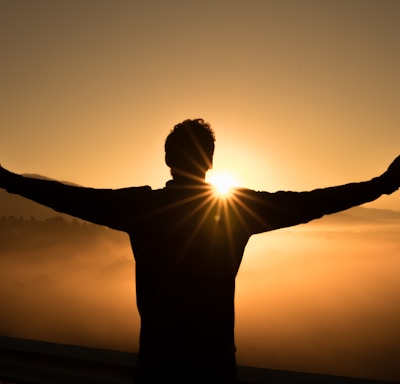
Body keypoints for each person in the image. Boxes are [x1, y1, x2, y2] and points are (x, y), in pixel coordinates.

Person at [0, 118, 399, 383]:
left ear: (168, 159)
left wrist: (7, 180)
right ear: (209, 161)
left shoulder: (143, 208)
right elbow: (313, 202)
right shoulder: (239, 210)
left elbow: (67, 197)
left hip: (157, 362)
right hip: (215, 364)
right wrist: (380, 185)